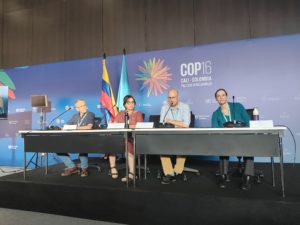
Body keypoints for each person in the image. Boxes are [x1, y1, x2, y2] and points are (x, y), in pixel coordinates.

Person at [211, 88, 254, 190]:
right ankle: (223, 176)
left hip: (242, 137)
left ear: (227, 96)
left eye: (223, 95)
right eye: (218, 96)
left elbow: (248, 122)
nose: (221, 97)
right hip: (226, 140)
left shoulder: (238, 106)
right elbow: (215, 130)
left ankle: (247, 177)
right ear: (216, 99)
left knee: (250, 147)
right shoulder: (215, 114)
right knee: (222, 148)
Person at [109, 95, 143, 182]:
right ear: (124, 104)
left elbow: (139, 126)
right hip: (121, 137)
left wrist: (126, 126)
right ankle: (113, 168)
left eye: (132, 102)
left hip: (133, 137)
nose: (131, 104)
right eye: (129, 102)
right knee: (111, 142)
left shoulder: (138, 113)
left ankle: (132, 173)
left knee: (128, 144)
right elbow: (115, 124)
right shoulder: (120, 113)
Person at [159, 88, 191, 184]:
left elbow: (186, 124)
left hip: (182, 136)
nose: (171, 99)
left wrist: (171, 121)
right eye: (169, 97)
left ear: (178, 97)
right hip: (168, 136)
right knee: (161, 147)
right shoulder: (164, 107)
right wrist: (178, 123)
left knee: (182, 145)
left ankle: (177, 170)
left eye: (173, 97)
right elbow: (162, 123)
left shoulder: (185, 107)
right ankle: (169, 173)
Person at [57, 99, 95, 177]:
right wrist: (62, 127)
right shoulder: (75, 116)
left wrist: (75, 127)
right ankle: (72, 167)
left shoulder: (90, 114)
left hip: (85, 138)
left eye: (85, 105)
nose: (85, 107)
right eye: (82, 106)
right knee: (57, 148)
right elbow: (66, 126)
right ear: (77, 108)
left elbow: (89, 127)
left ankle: (84, 169)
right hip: (73, 138)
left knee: (82, 146)